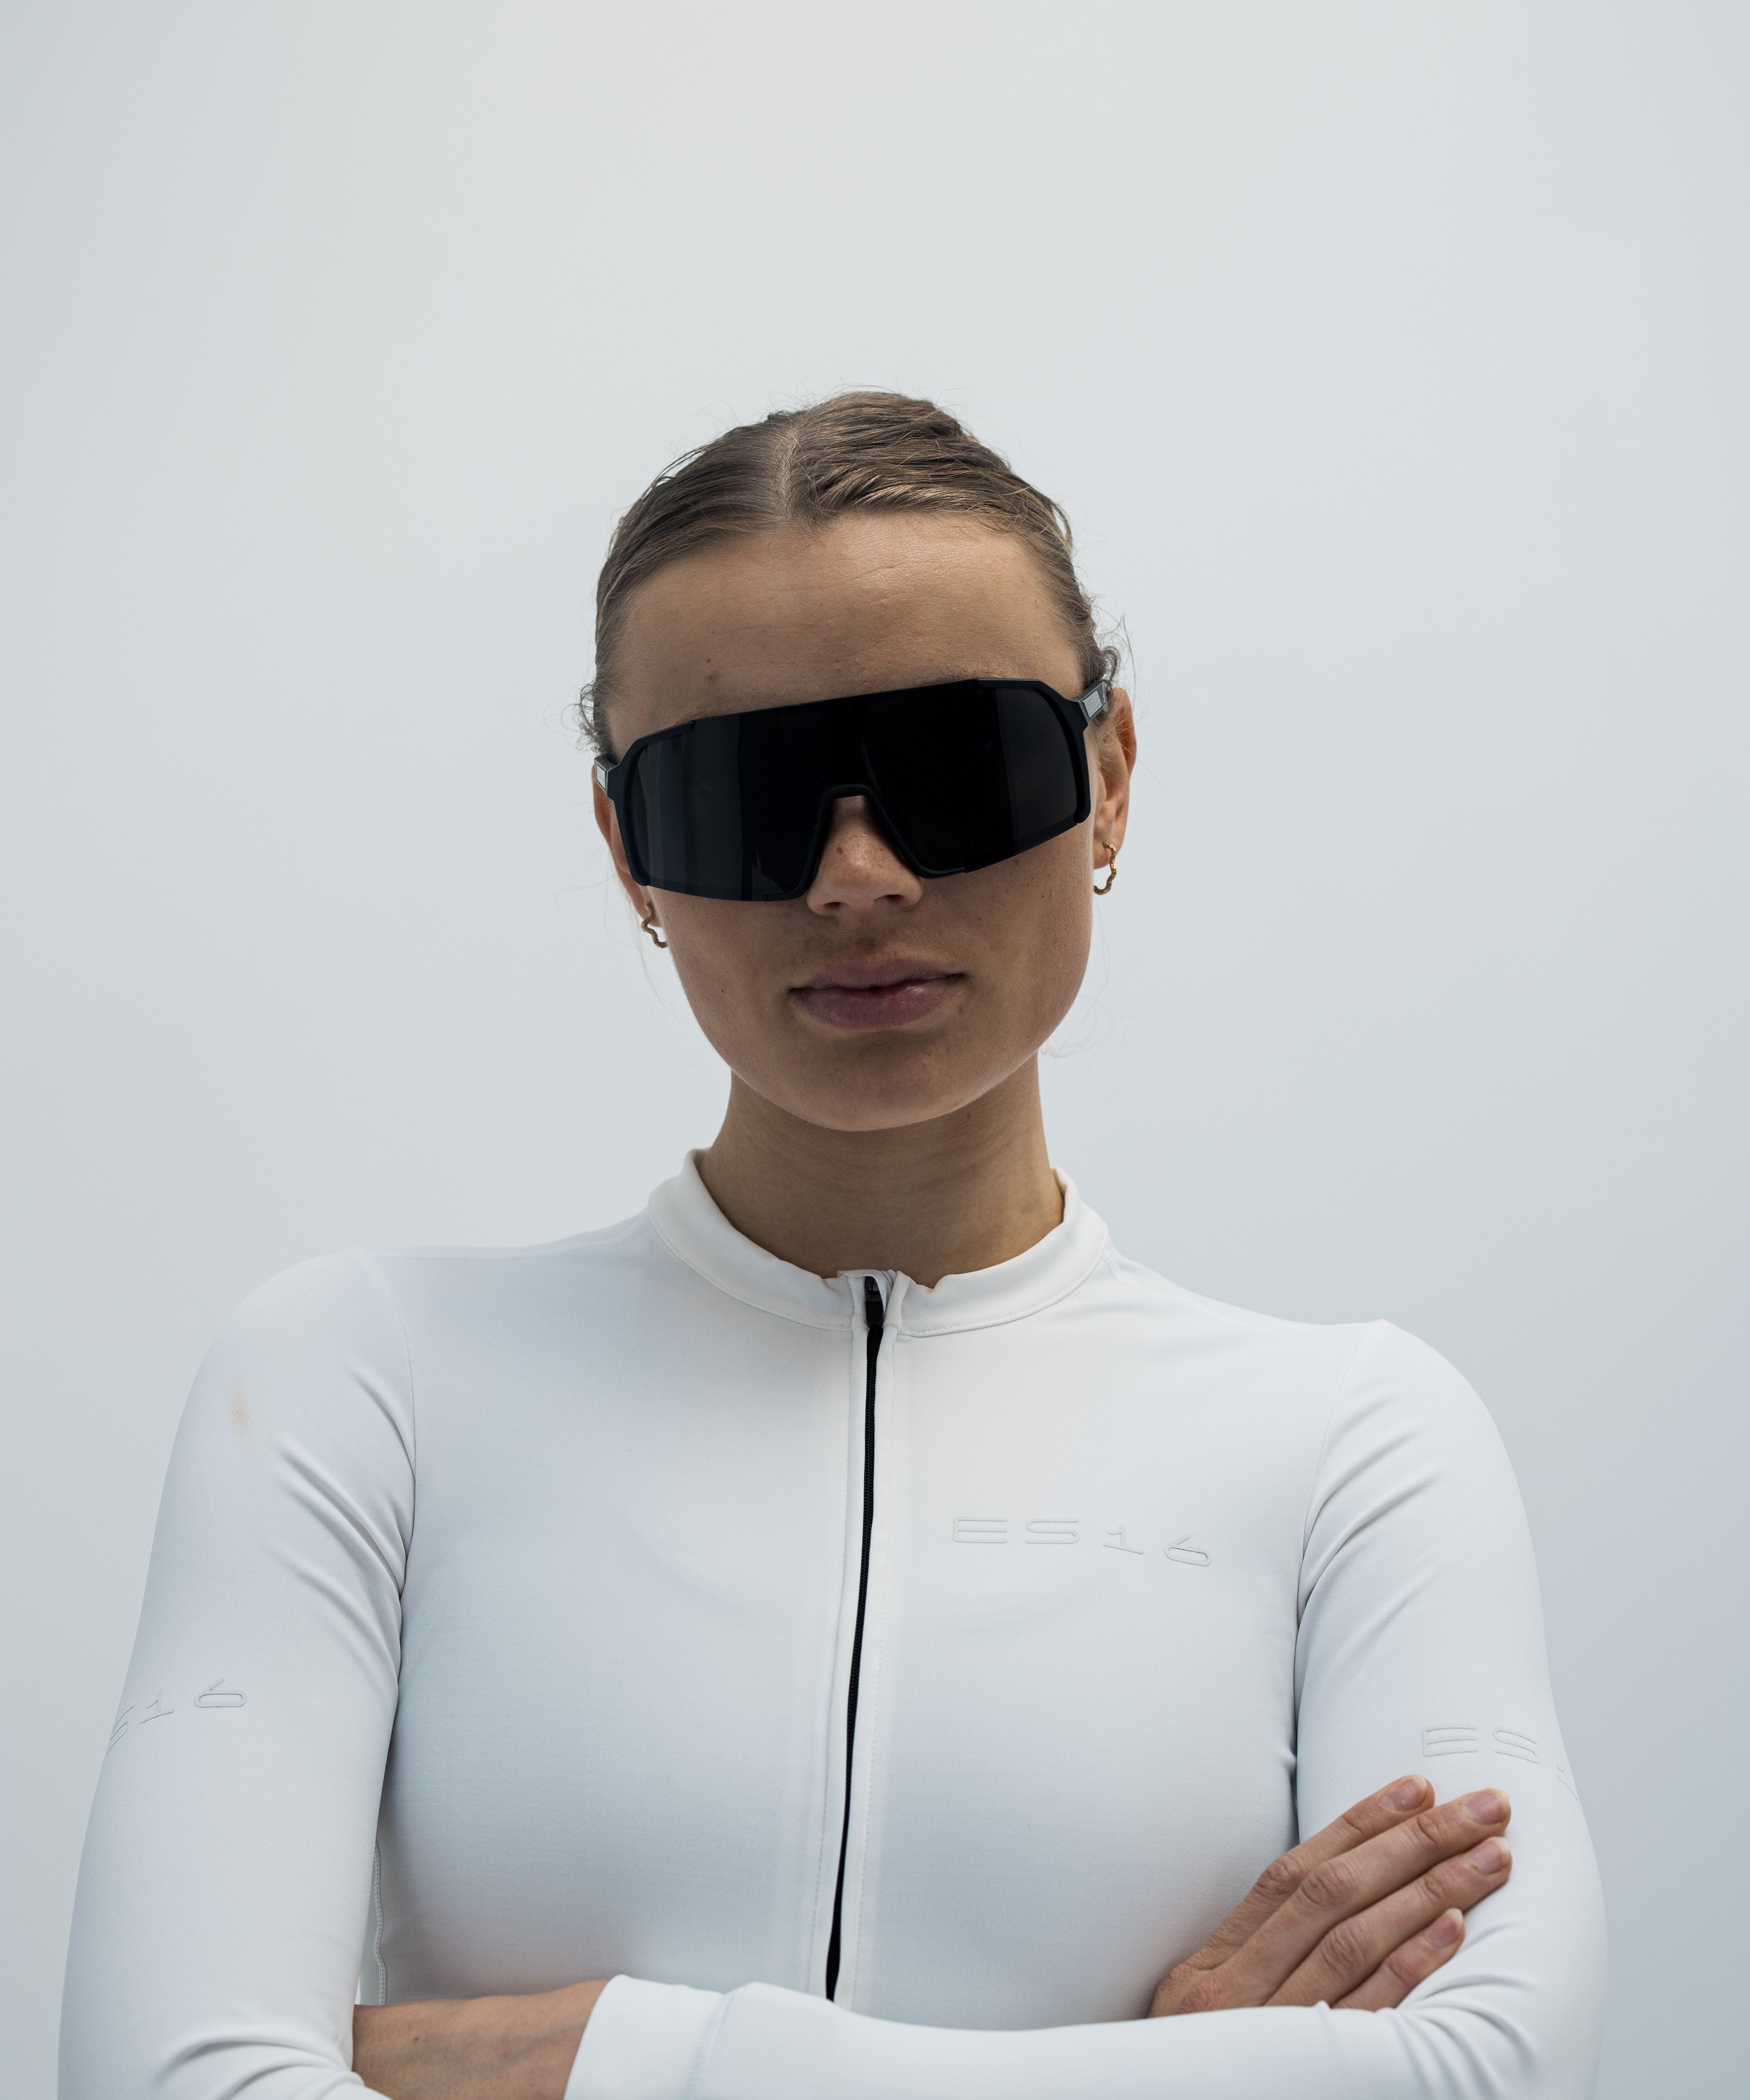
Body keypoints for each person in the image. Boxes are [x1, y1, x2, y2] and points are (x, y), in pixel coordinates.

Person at [60, 393, 1606, 2100]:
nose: (857, 875)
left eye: (959, 766)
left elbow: (1494, 2070)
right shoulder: (365, 1388)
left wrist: (601, 2053)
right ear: (624, 847)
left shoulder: (1353, 1446)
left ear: (1106, 778)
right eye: (742, 794)